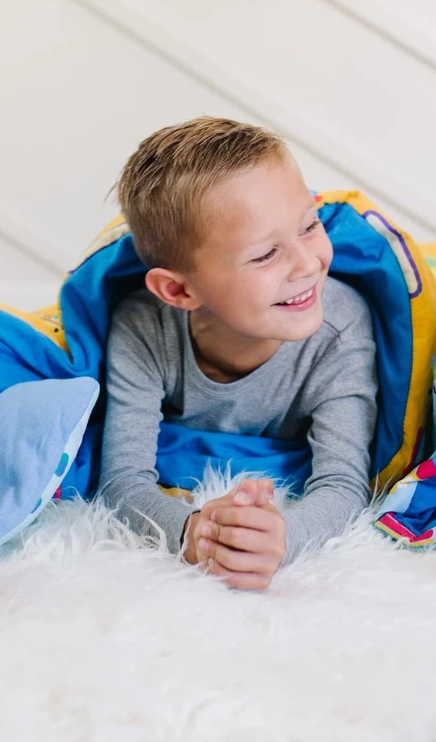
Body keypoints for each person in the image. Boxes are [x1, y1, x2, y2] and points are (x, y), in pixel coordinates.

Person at [99, 116, 378, 590]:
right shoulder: (143, 329)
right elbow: (121, 481)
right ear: (178, 290)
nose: (308, 264)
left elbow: (345, 483)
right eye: (265, 254)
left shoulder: (341, 327)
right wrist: (195, 533)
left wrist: (282, 538)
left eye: (310, 225)